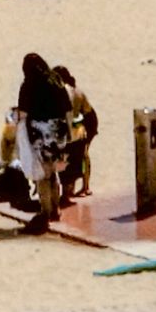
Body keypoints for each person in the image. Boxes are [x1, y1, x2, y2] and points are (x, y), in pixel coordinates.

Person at [15, 53, 72, 231]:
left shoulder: (28, 85)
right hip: (59, 132)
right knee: (53, 172)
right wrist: (67, 133)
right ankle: (55, 209)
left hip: (41, 134)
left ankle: (46, 212)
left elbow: (23, 115)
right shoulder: (56, 80)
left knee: (42, 176)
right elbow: (68, 109)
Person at [52, 65, 96, 203]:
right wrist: (90, 133)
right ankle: (85, 187)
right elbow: (89, 113)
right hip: (80, 131)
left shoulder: (60, 92)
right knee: (82, 158)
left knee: (65, 161)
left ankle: (66, 194)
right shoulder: (78, 92)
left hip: (68, 133)